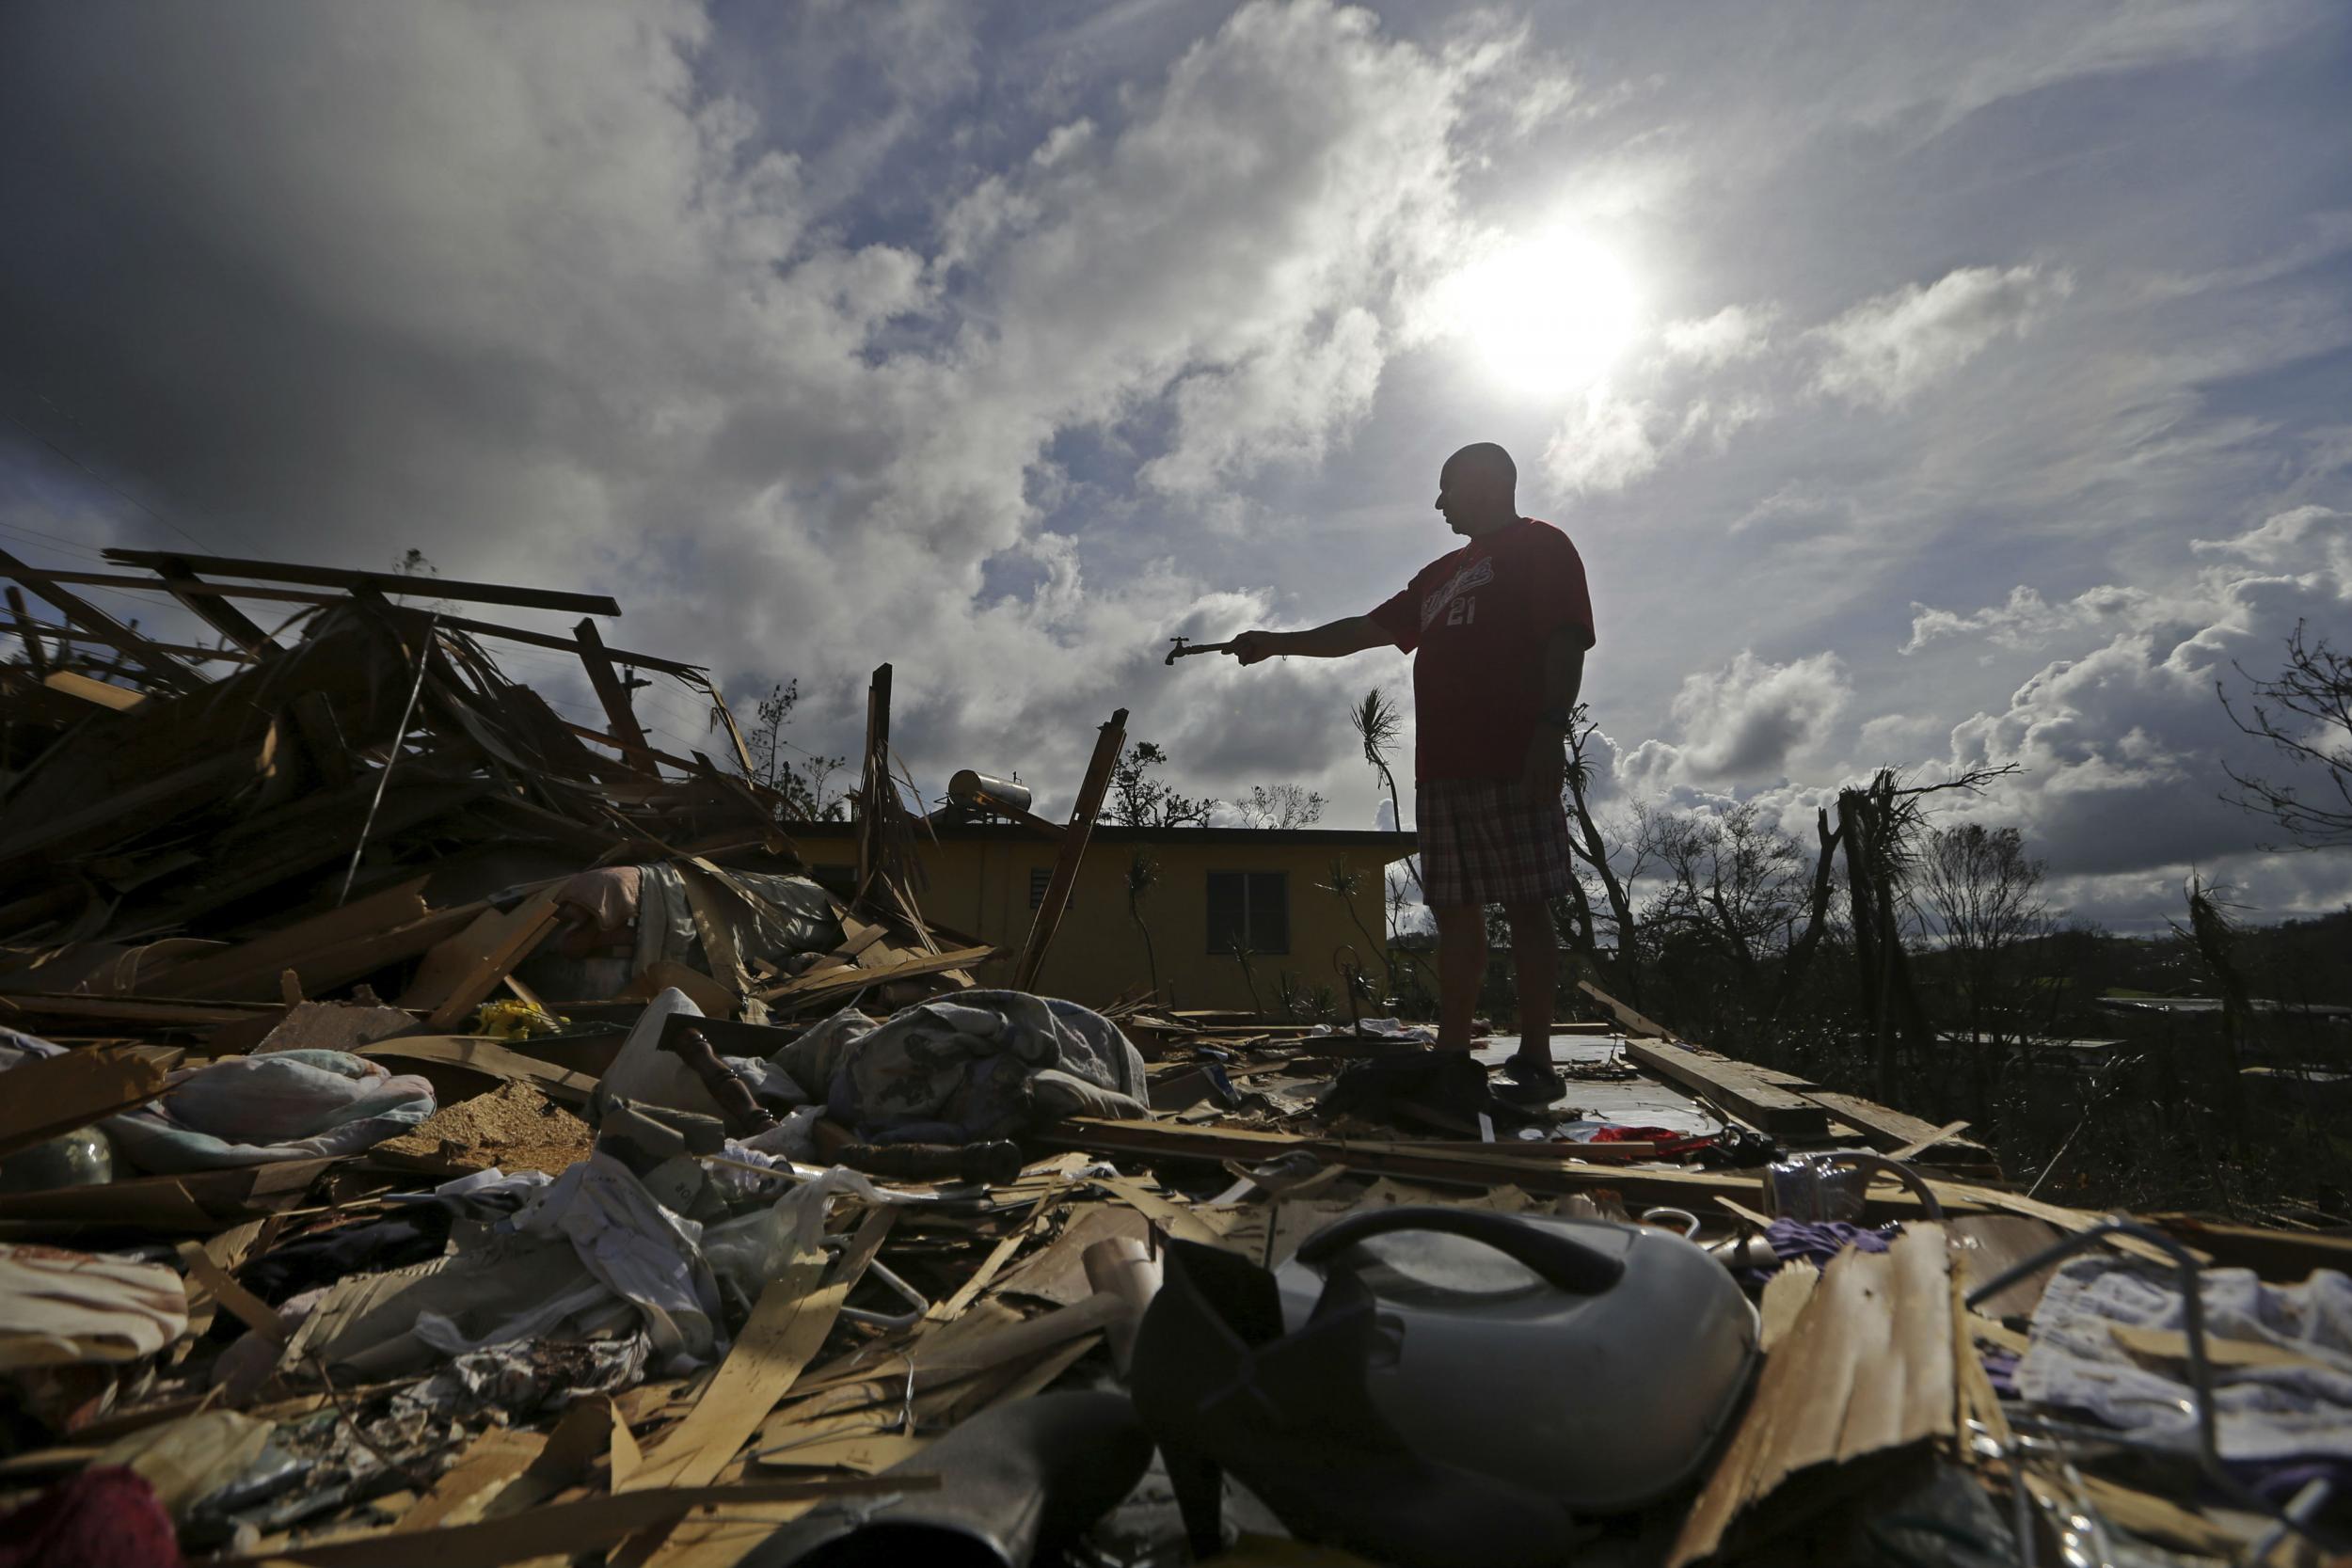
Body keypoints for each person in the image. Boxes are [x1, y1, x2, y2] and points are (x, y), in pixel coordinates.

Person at [1224, 442, 1594, 1103]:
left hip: (1513, 756)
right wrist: (1278, 642)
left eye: (1447, 487)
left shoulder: (1543, 546)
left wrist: (1548, 729)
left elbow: (1566, 637)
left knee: (1527, 903)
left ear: (1485, 483)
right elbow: (1363, 629)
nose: (1439, 503)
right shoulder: (1439, 573)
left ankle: (1536, 1057)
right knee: (1455, 910)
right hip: (1442, 771)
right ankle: (1453, 1053)